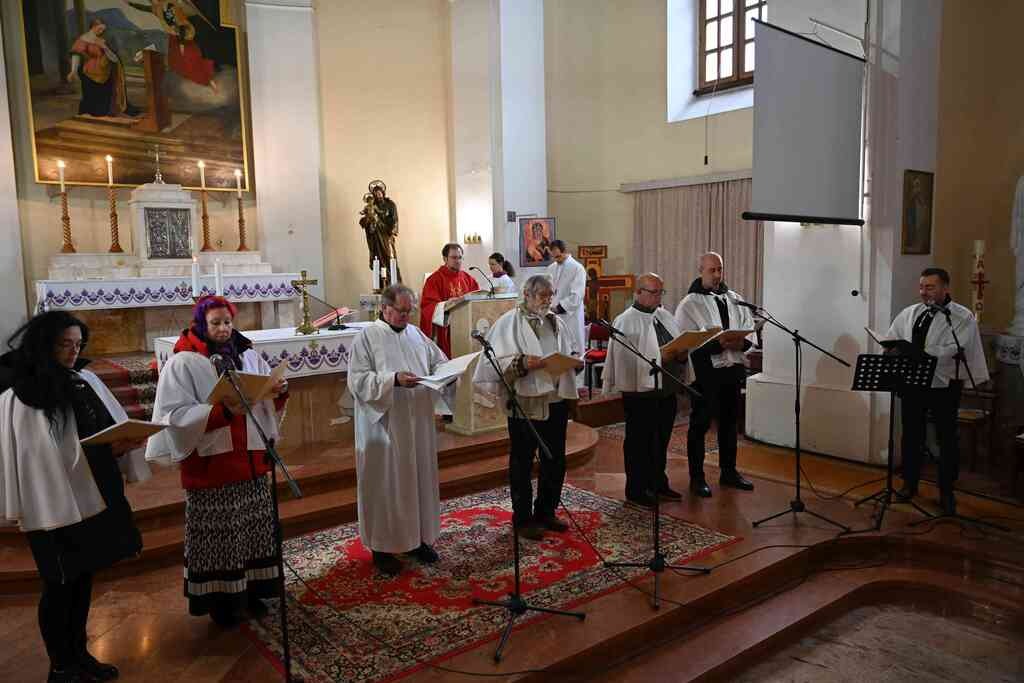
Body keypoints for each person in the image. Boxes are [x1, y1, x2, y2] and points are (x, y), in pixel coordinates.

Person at [0, 311, 149, 683]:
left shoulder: (82, 380)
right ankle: (61, 666)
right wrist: (100, 451)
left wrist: (120, 446)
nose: (72, 352)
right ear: (44, 344)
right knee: (59, 585)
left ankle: (80, 655)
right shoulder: (24, 394)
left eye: (78, 345)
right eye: (64, 344)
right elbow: (37, 457)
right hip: (50, 504)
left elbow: (97, 433)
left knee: (82, 579)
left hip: (90, 499)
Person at [145, 295, 288, 626]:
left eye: (227, 322)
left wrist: (277, 392)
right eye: (215, 323)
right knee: (220, 539)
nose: (223, 329)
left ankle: (252, 593)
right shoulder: (183, 363)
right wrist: (221, 412)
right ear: (201, 324)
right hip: (212, 467)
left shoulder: (248, 355)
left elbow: (264, 401)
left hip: (251, 461)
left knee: (254, 531)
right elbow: (173, 416)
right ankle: (222, 603)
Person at [348, 285, 451, 575]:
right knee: (386, 484)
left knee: (417, 481)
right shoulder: (367, 337)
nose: (407, 315)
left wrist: (448, 374)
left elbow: (439, 362)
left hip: (417, 422)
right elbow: (357, 381)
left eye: (410, 310)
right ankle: (382, 548)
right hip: (385, 425)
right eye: (401, 310)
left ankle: (416, 540)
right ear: (385, 308)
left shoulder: (416, 334)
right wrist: (392, 379)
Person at [473, 275, 582, 540]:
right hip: (524, 404)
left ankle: (546, 511)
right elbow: (491, 363)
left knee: (555, 459)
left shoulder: (556, 322)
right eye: (543, 295)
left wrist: (574, 362)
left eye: (550, 295)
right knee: (522, 463)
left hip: (555, 400)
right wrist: (521, 363)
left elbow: (569, 350)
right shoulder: (508, 323)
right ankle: (522, 518)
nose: (548, 300)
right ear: (527, 295)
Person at [885, 268, 989, 515]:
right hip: (912, 382)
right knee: (912, 434)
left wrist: (920, 353)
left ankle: (946, 491)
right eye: (921, 287)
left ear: (945, 288)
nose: (924, 292)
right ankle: (909, 483)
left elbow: (955, 348)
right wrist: (891, 348)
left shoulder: (961, 316)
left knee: (946, 438)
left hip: (944, 384)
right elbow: (893, 336)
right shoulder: (911, 312)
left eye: (930, 287)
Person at [674, 252, 756, 497]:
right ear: (701, 270)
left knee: (729, 424)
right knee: (700, 425)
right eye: (712, 270)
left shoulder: (735, 299)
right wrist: (717, 344)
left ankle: (729, 472)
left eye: (720, 269)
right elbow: (685, 341)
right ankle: (697, 477)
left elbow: (750, 330)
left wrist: (741, 343)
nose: (717, 275)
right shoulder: (690, 303)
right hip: (706, 373)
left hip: (732, 369)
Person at [602, 274, 686, 507]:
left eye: (661, 292)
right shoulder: (625, 321)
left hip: (666, 389)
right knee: (639, 442)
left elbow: (677, 342)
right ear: (638, 292)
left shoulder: (664, 315)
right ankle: (637, 489)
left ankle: (658, 482)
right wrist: (660, 357)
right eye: (654, 292)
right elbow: (625, 359)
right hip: (639, 392)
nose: (659, 297)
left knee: (661, 439)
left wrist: (681, 352)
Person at [68, 18, 138, 118]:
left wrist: (104, 47)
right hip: (90, 73)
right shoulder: (83, 39)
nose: (101, 32)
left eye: (103, 30)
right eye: (100, 29)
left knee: (106, 96)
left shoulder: (102, 40)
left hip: (105, 73)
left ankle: (105, 113)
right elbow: (76, 54)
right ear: (93, 27)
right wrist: (73, 71)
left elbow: (114, 58)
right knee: (91, 96)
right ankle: (93, 114)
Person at [420, 243, 479, 357]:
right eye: (454, 257)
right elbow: (428, 306)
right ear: (445, 259)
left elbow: (477, 301)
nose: (458, 261)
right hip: (446, 331)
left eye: (460, 257)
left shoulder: (468, 279)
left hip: (466, 329)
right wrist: (446, 305)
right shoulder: (434, 280)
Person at [546, 240, 587, 368]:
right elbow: (548, 290)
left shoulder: (577, 268)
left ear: (565, 252)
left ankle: (577, 379)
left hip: (570, 317)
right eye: (553, 257)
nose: (556, 260)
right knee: (556, 350)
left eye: (558, 256)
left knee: (573, 350)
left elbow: (577, 295)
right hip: (553, 316)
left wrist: (559, 308)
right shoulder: (551, 268)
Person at [359, 180, 401, 284]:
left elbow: (395, 219)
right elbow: (364, 221)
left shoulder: (390, 204)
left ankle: (394, 283)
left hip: (386, 235)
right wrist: (368, 219)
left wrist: (392, 230)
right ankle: (381, 285)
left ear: (383, 192)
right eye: (376, 193)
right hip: (376, 238)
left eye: (379, 192)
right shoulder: (371, 206)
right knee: (378, 259)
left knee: (390, 257)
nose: (378, 194)